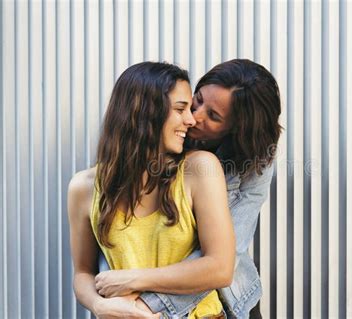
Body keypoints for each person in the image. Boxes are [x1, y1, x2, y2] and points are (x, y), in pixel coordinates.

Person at [96, 59, 282, 318]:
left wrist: (144, 302)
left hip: (221, 302)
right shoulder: (165, 135)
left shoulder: (255, 163)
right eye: (198, 100)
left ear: (236, 131)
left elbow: (223, 262)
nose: (194, 117)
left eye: (213, 116)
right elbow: (117, 237)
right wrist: (103, 300)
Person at [68, 61, 235, 319]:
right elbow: (82, 273)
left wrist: (133, 280)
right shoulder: (84, 188)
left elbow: (221, 268)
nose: (191, 120)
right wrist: (99, 305)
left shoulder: (199, 169)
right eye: (181, 109)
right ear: (143, 112)